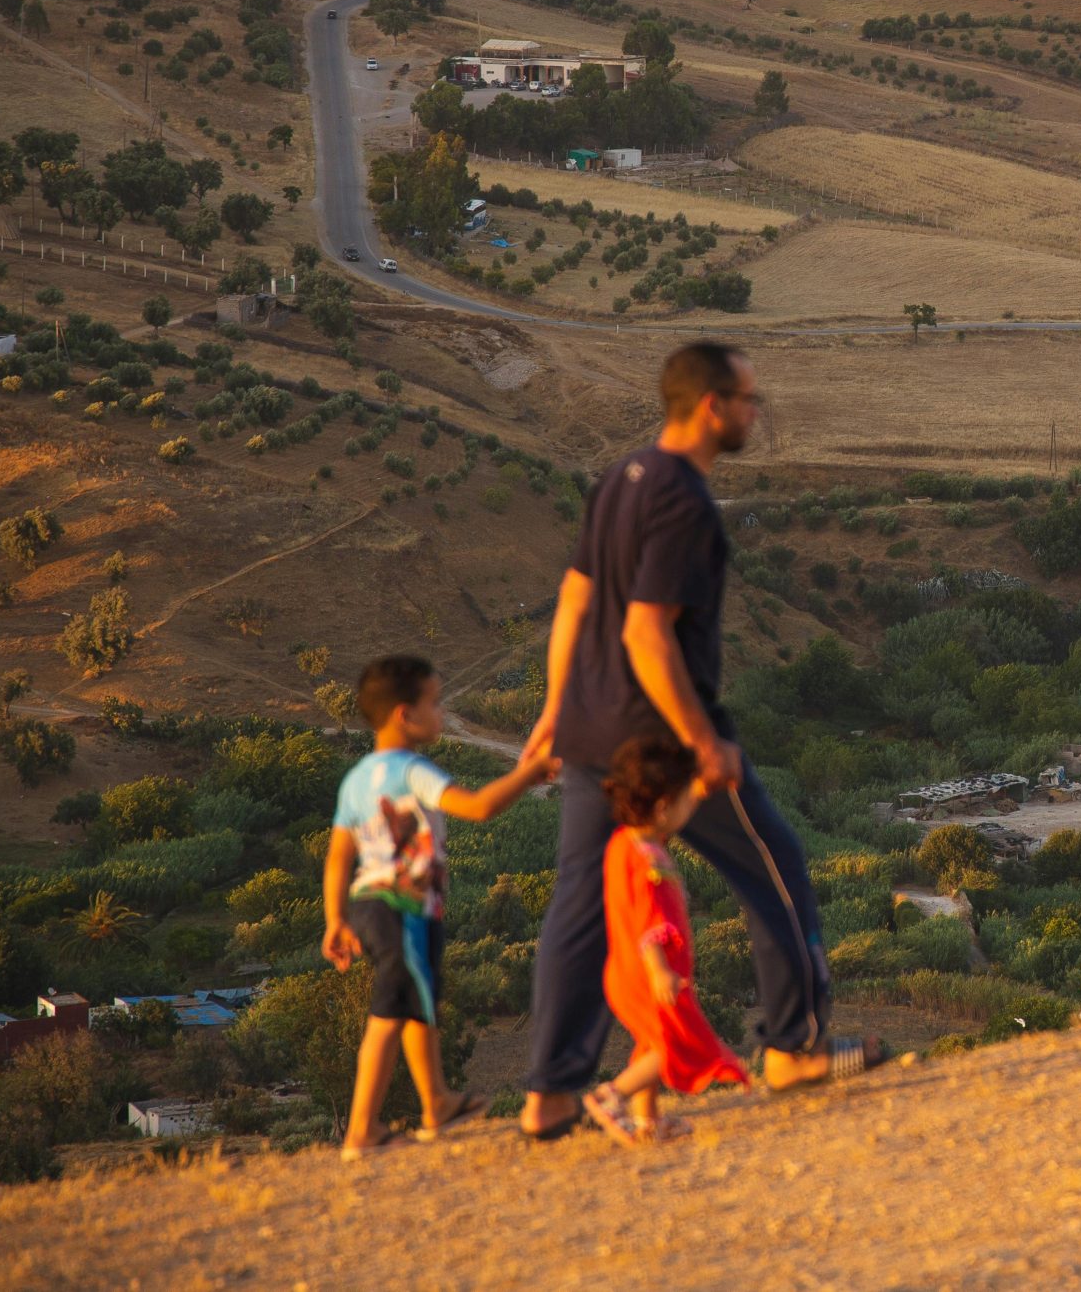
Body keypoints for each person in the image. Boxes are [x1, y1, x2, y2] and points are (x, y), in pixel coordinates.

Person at [519, 342, 874, 1142]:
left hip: (588, 729)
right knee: (773, 865)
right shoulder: (682, 498)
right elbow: (648, 633)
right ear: (711, 405)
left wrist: (554, 707)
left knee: (577, 908)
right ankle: (792, 1047)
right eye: (748, 398)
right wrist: (701, 739)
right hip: (658, 740)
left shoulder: (621, 477)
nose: (757, 411)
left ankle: (549, 1094)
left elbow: (573, 601)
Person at [322, 654, 554, 1158]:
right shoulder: (412, 770)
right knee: (389, 1013)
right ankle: (361, 1130)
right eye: (435, 703)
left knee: (415, 1006)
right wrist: (528, 773)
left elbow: (339, 857)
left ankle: (436, 1104)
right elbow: (479, 807)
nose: (443, 714)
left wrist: (335, 920)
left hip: (372, 904)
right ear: (406, 714)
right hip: (401, 908)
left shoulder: (358, 778)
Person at [583, 734, 750, 1145]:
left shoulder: (624, 842)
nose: (691, 805)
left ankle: (648, 1122)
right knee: (672, 1046)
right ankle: (611, 1096)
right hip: (650, 973)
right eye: (685, 799)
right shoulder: (651, 861)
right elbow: (650, 920)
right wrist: (660, 971)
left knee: (651, 1045)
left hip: (622, 971)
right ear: (662, 807)